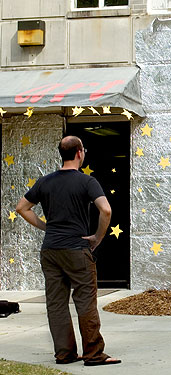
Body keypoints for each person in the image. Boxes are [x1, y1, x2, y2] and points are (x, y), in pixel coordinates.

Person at [16, 136, 121, 366]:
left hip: (51, 250)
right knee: (85, 301)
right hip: (76, 249)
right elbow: (106, 210)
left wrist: (46, 226)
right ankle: (93, 354)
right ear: (80, 153)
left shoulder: (45, 181)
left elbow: (21, 207)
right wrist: (97, 237)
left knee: (56, 303)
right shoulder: (86, 181)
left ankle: (65, 354)